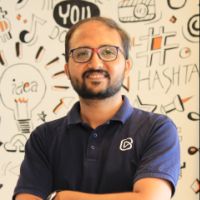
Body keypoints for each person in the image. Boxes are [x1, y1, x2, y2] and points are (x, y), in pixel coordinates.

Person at [13, 16, 180, 200]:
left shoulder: (157, 129)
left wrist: (63, 197)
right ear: (67, 69)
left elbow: (149, 199)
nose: (95, 64)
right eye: (82, 53)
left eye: (108, 52)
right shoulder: (43, 137)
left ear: (127, 66)